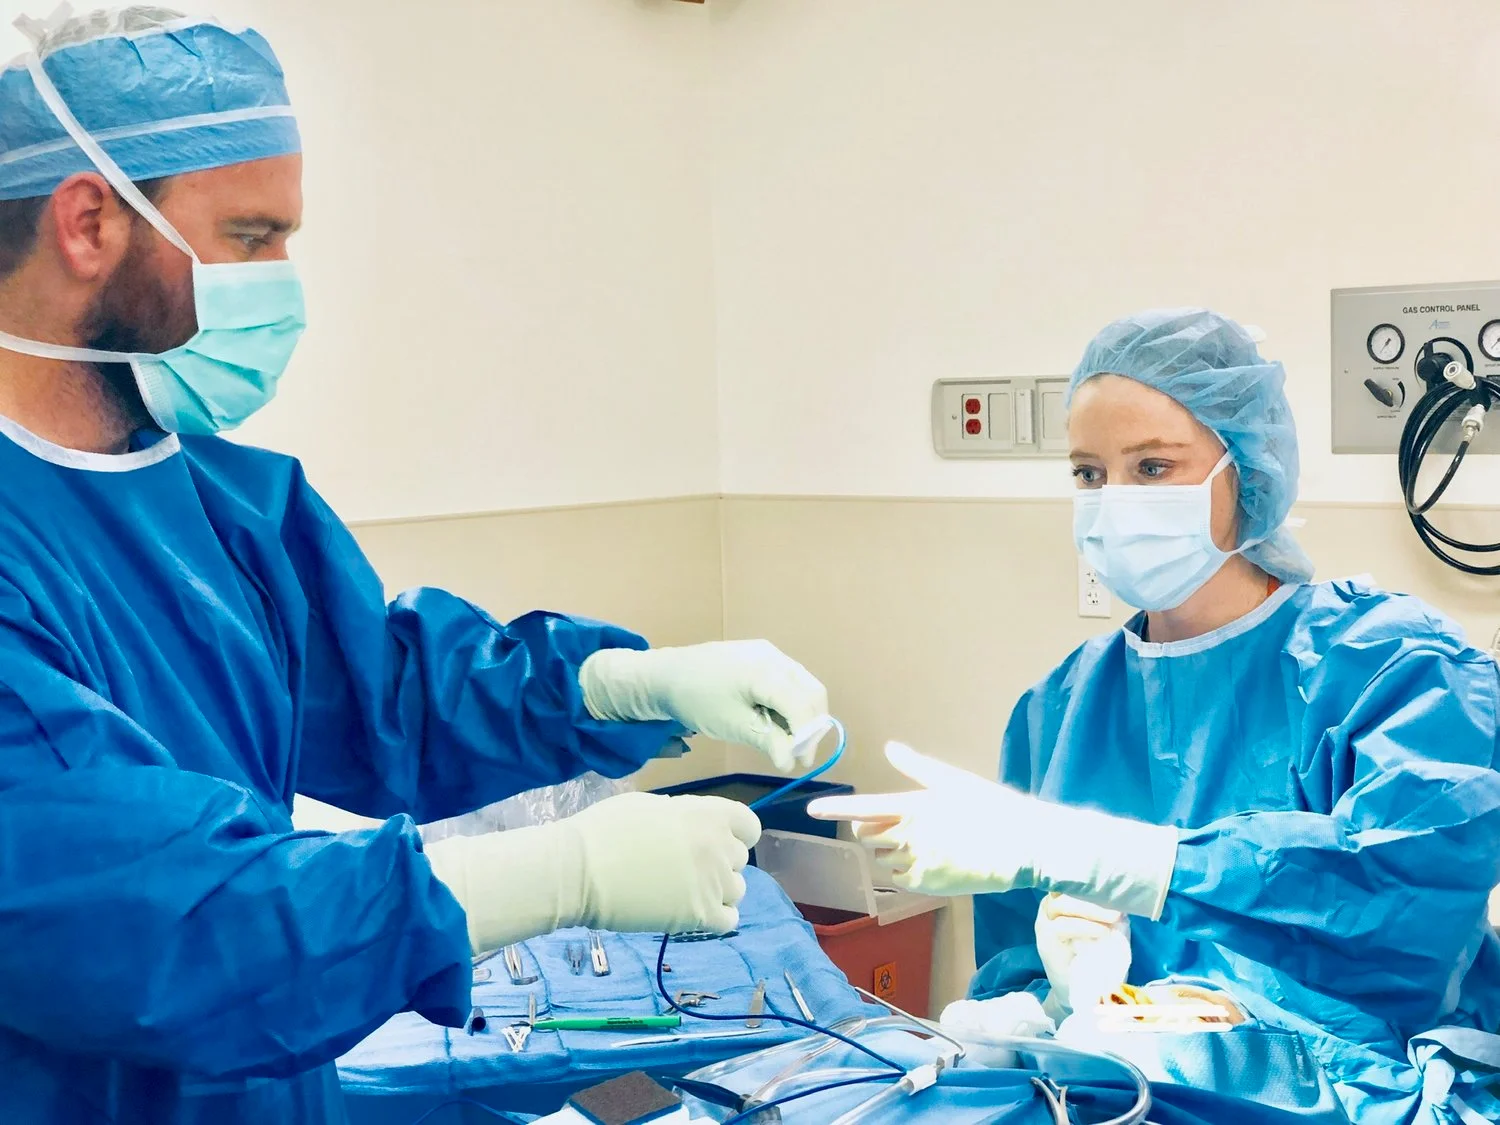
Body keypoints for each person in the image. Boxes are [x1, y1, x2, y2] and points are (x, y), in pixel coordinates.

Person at [0, 8, 830, 1123]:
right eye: (251, 236)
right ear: (88, 221)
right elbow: (160, 922)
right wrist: (557, 877)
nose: (282, 284)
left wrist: (620, 685)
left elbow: (383, 698)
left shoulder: (222, 504)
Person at [812, 309, 1500, 1123]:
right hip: (1115, 1092)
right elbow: (1016, 949)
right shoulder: (1059, 707)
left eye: (1152, 466)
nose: (1114, 503)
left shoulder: (1394, 667)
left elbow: (1406, 898)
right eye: (1088, 473)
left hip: (1356, 1090)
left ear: (1247, 471)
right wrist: (1038, 1006)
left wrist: (1125, 861)